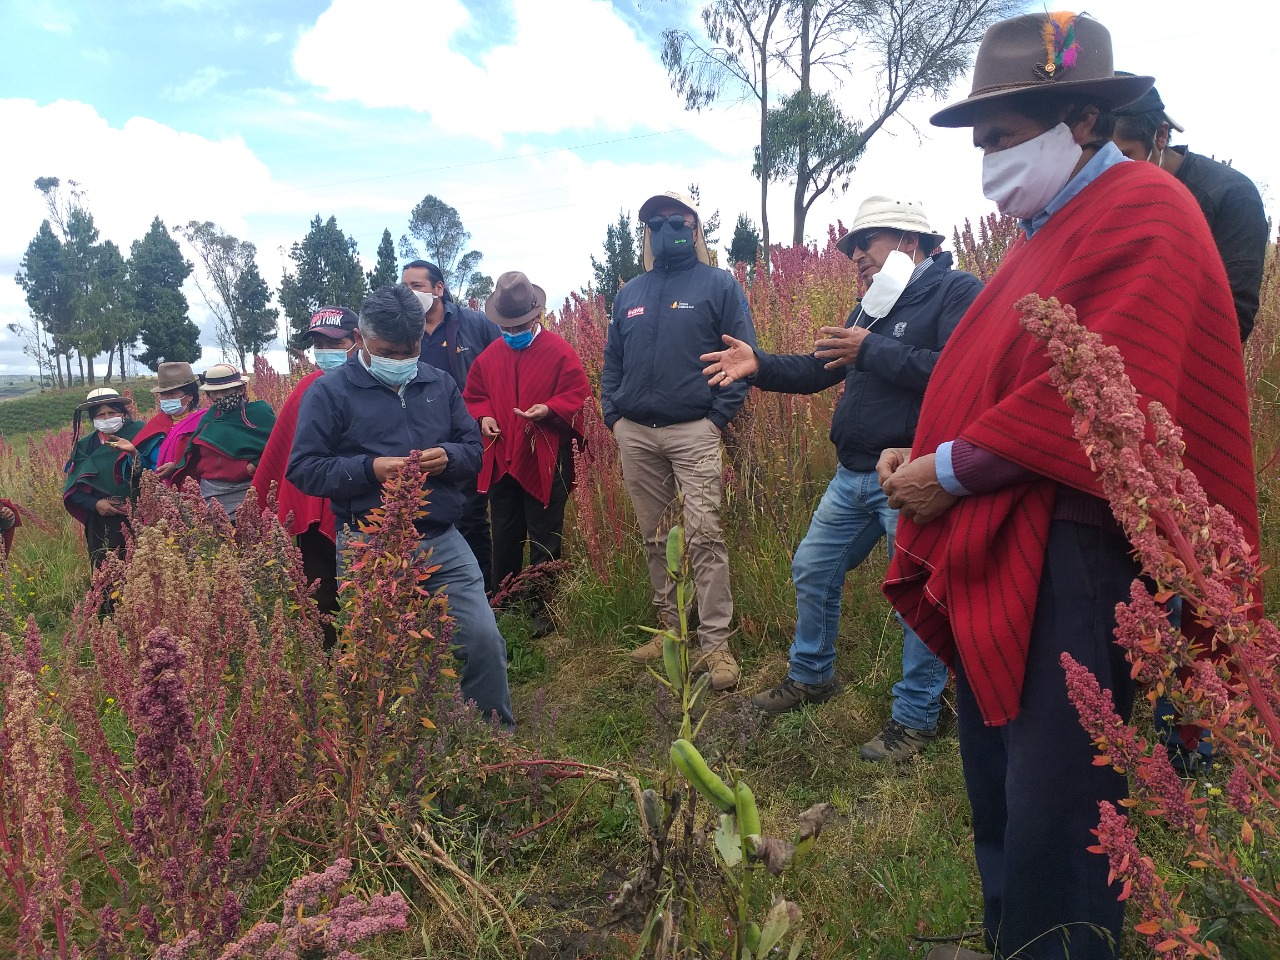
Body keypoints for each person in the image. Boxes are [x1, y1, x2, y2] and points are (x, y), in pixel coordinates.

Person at [878, 13, 1259, 960]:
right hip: (1005, 533)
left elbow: (1110, 381)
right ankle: (1013, 939)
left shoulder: (1145, 207)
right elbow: (990, 379)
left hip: (1080, 549)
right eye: (979, 144)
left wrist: (950, 468)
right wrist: (920, 453)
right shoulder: (1038, 237)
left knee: (1062, 794)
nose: (988, 163)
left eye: (1001, 137)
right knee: (1000, 773)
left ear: (1082, 120)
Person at [701, 196, 982, 760]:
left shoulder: (957, 291)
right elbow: (818, 369)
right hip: (853, 473)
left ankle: (917, 717)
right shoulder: (872, 305)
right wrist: (759, 364)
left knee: (916, 595)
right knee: (813, 567)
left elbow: (959, 372)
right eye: (851, 247)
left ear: (909, 241)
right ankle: (812, 675)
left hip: (910, 475)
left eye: (865, 242)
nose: (855, 255)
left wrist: (871, 348)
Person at [287, 284, 514, 727]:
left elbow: (473, 449)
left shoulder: (439, 383)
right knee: (375, 658)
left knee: (482, 639)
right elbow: (305, 468)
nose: (401, 360)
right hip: (367, 544)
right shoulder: (329, 393)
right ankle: (382, 747)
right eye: (388, 352)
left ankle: (491, 742)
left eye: (410, 350)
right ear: (361, 340)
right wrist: (371, 469)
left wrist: (449, 457)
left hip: (440, 539)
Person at [602, 189, 758, 692]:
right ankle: (672, 630)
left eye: (675, 221)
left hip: (695, 430)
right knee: (655, 537)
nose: (665, 229)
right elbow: (613, 360)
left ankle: (715, 645)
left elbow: (745, 356)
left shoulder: (719, 284)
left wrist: (716, 420)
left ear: (693, 228)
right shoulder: (630, 293)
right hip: (636, 433)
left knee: (704, 535)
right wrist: (613, 416)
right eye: (655, 223)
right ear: (647, 232)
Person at [461, 271, 591, 633]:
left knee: (545, 532)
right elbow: (474, 396)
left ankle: (543, 607)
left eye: (519, 326)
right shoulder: (489, 356)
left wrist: (549, 409)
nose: (513, 332)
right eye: (507, 327)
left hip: (546, 457)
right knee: (504, 532)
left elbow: (578, 396)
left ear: (536, 316)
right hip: (503, 456)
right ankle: (505, 602)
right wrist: (484, 416)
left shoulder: (559, 351)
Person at [1111, 78, 1268, 343]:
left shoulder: (1229, 195)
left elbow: (1234, 317)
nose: (1109, 173)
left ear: (1161, 135)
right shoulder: (1102, 191)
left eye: (1123, 157)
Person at [251, 306, 360, 649]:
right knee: (321, 591)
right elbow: (282, 448)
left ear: (357, 340)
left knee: (366, 591)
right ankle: (327, 661)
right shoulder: (307, 387)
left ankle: (365, 662)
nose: (325, 352)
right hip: (313, 509)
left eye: (334, 343)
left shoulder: (374, 384)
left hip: (363, 505)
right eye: (318, 345)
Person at [402, 259, 502, 592]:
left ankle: (483, 591)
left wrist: (488, 412)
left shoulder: (475, 324)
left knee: (472, 514)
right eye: (404, 287)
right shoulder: (404, 329)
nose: (409, 293)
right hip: (421, 436)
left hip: (468, 434)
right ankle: (433, 594)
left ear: (439, 289)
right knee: (425, 513)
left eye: (416, 286)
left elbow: (500, 367)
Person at [62, 387, 160, 569]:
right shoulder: (85, 446)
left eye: (112, 412)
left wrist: (133, 454)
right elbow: (74, 489)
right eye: (101, 415)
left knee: (144, 568)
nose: (107, 418)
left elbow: (151, 473)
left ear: (123, 413)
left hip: (139, 516)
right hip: (100, 522)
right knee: (106, 572)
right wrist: (95, 504)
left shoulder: (140, 433)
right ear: (93, 418)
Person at [168, 364, 276, 520]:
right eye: (213, 392)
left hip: (247, 492)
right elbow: (196, 454)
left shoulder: (259, 413)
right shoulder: (209, 417)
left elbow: (279, 447)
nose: (217, 397)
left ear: (241, 389)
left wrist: (254, 465)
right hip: (210, 495)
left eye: (224, 391)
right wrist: (175, 465)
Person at [133, 361, 202, 476]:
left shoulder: (202, 422)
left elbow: (207, 461)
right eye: (163, 394)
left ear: (190, 396)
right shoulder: (156, 423)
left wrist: (178, 467)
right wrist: (133, 453)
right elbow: (144, 466)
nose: (166, 398)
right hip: (156, 485)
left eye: (172, 393)